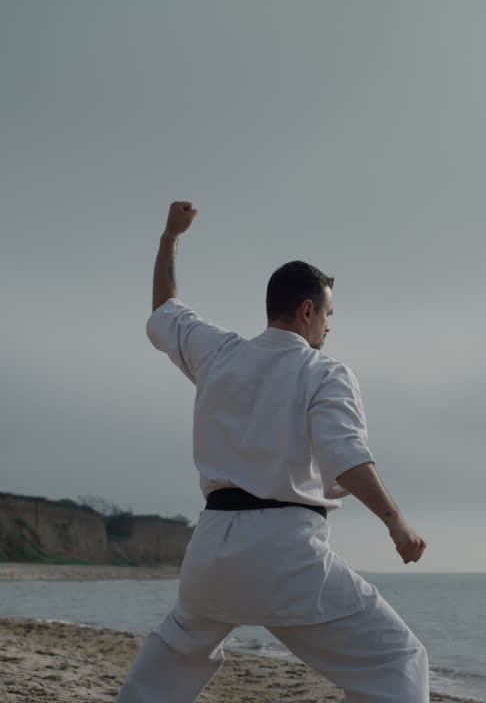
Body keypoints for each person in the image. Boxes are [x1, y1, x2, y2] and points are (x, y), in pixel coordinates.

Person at [116, 201, 430, 703]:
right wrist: (395, 521)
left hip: (212, 550)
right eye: (328, 314)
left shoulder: (218, 352)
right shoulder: (323, 371)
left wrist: (170, 236)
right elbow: (345, 458)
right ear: (308, 310)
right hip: (285, 554)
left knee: (171, 663)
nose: (329, 328)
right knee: (398, 661)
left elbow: (164, 309)